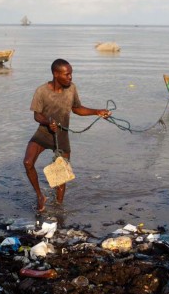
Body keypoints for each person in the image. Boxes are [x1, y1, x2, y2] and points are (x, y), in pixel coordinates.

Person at [23, 59, 111, 212]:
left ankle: (59, 209)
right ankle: (39, 196)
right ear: (56, 74)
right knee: (28, 162)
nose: (70, 77)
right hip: (43, 133)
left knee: (61, 179)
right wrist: (47, 121)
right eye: (67, 74)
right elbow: (37, 115)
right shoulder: (42, 91)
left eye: (71, 74)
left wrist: (97, 111)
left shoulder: (71, 89)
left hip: (62, 137)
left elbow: (77, 109)